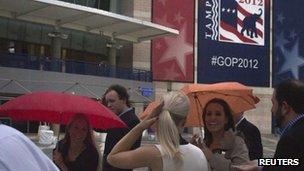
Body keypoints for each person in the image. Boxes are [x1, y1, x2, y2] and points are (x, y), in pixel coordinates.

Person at [107, 91, 209, 171]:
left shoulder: (153, 153)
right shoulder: (199, 153)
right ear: (184, 121)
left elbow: (112, 157)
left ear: (157, 119)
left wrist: (141, 126)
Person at [191, 98, 250, 171]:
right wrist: (193, 151)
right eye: (209, 114)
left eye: (218, 114)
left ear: (226, 119)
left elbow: (243, 169)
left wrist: (212, 158)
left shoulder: (236, 142)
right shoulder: (205, 143)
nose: (212, 118)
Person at [262, 79, 304, 171]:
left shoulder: (291, 139)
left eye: (273, 104)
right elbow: (286, 162)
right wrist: (260, 163)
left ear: (284, 107)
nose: (272, 110)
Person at [102, 84, 141, 171]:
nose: (108, 105)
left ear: (123, 100)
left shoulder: (132, 120)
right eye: (107, 102)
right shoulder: (119, 118)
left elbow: (131, 152)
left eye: (112, 101)